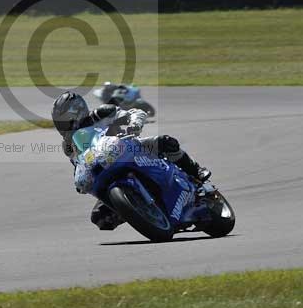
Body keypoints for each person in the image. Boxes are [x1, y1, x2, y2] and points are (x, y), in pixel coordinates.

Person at [51, 91, 210, 231]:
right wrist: (79, 178)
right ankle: (139, 210)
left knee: (166, 142)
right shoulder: (68, 146)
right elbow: (77, 162)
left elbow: (135, 112)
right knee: (100, 218)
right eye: (59, 124)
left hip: (129, 148)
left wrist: (134, 123)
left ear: (78, 113)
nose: (62, 128)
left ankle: (196, 172)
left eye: (64, 123)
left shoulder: (101, 113)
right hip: (103, 165)